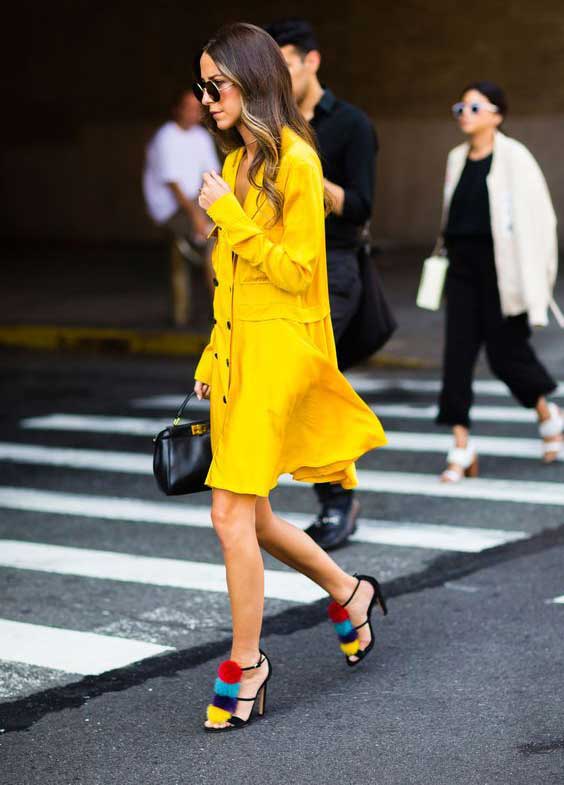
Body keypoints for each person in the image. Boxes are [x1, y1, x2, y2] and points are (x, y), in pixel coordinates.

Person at [192, 22, 388, 732]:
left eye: (217, 82)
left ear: (251, 81)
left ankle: (247, 663)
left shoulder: (297, 163)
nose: (207, 95)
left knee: (228, 513)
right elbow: (233, 282)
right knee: (259, 518)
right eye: (202, 84)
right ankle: (349, 589)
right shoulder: (241, 161)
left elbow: (297, 269)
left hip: (279, 355)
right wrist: (213, 359)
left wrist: (231, 219)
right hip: (240, 357)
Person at [265, 18, 378, 550]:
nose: (280, 73)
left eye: (286, 61)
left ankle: (337, 500)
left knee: (313, 379)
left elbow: (361, 206)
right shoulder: (271, 129)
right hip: (283, 266)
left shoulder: (350, 125)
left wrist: (311, 183)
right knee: (299, 380)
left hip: (334, 267)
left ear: (312, 61)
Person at [437, 81, 561, 482]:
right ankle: (460, 445)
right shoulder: (457, 158)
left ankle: (547, 414)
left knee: (507, 356)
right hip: (461, 270)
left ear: (497, 115)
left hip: (501, 271)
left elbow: (541, 221)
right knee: (456, 356)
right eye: (461, 108)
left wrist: (538, 278)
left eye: (474, 108)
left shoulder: (515, 158)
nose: (465, 115)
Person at [143, 88, 220, 326]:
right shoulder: (166, 136)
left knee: (223, 232)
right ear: (176, 110)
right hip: (171, 208)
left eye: (197, 108)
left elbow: (211, 174)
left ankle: (221, 307)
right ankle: (219, 309)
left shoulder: (201, 136)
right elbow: (174, 186)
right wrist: (198, 218)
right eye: (188, 107)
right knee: (211, 240)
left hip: (195, 202)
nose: (193, 113)